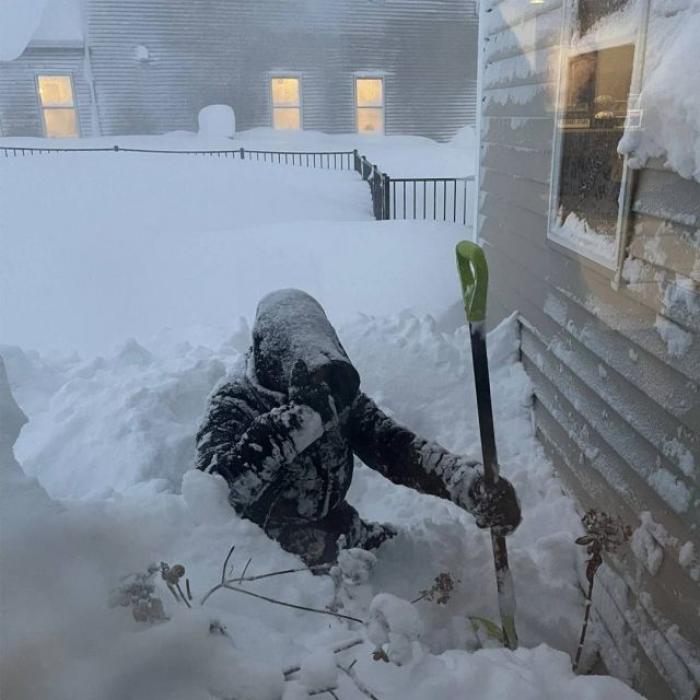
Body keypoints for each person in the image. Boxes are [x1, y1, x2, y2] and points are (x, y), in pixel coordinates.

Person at [196, 289, 521, 566]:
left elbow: (393, 448)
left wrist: (464, 483)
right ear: (273, 360)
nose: (321, 384)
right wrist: (292, 425)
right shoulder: (233, 403)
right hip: (265, 555)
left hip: (337, 527)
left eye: (323, 371)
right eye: (312, 374)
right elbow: (216, 492)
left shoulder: (333, 389)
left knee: (408, 559)